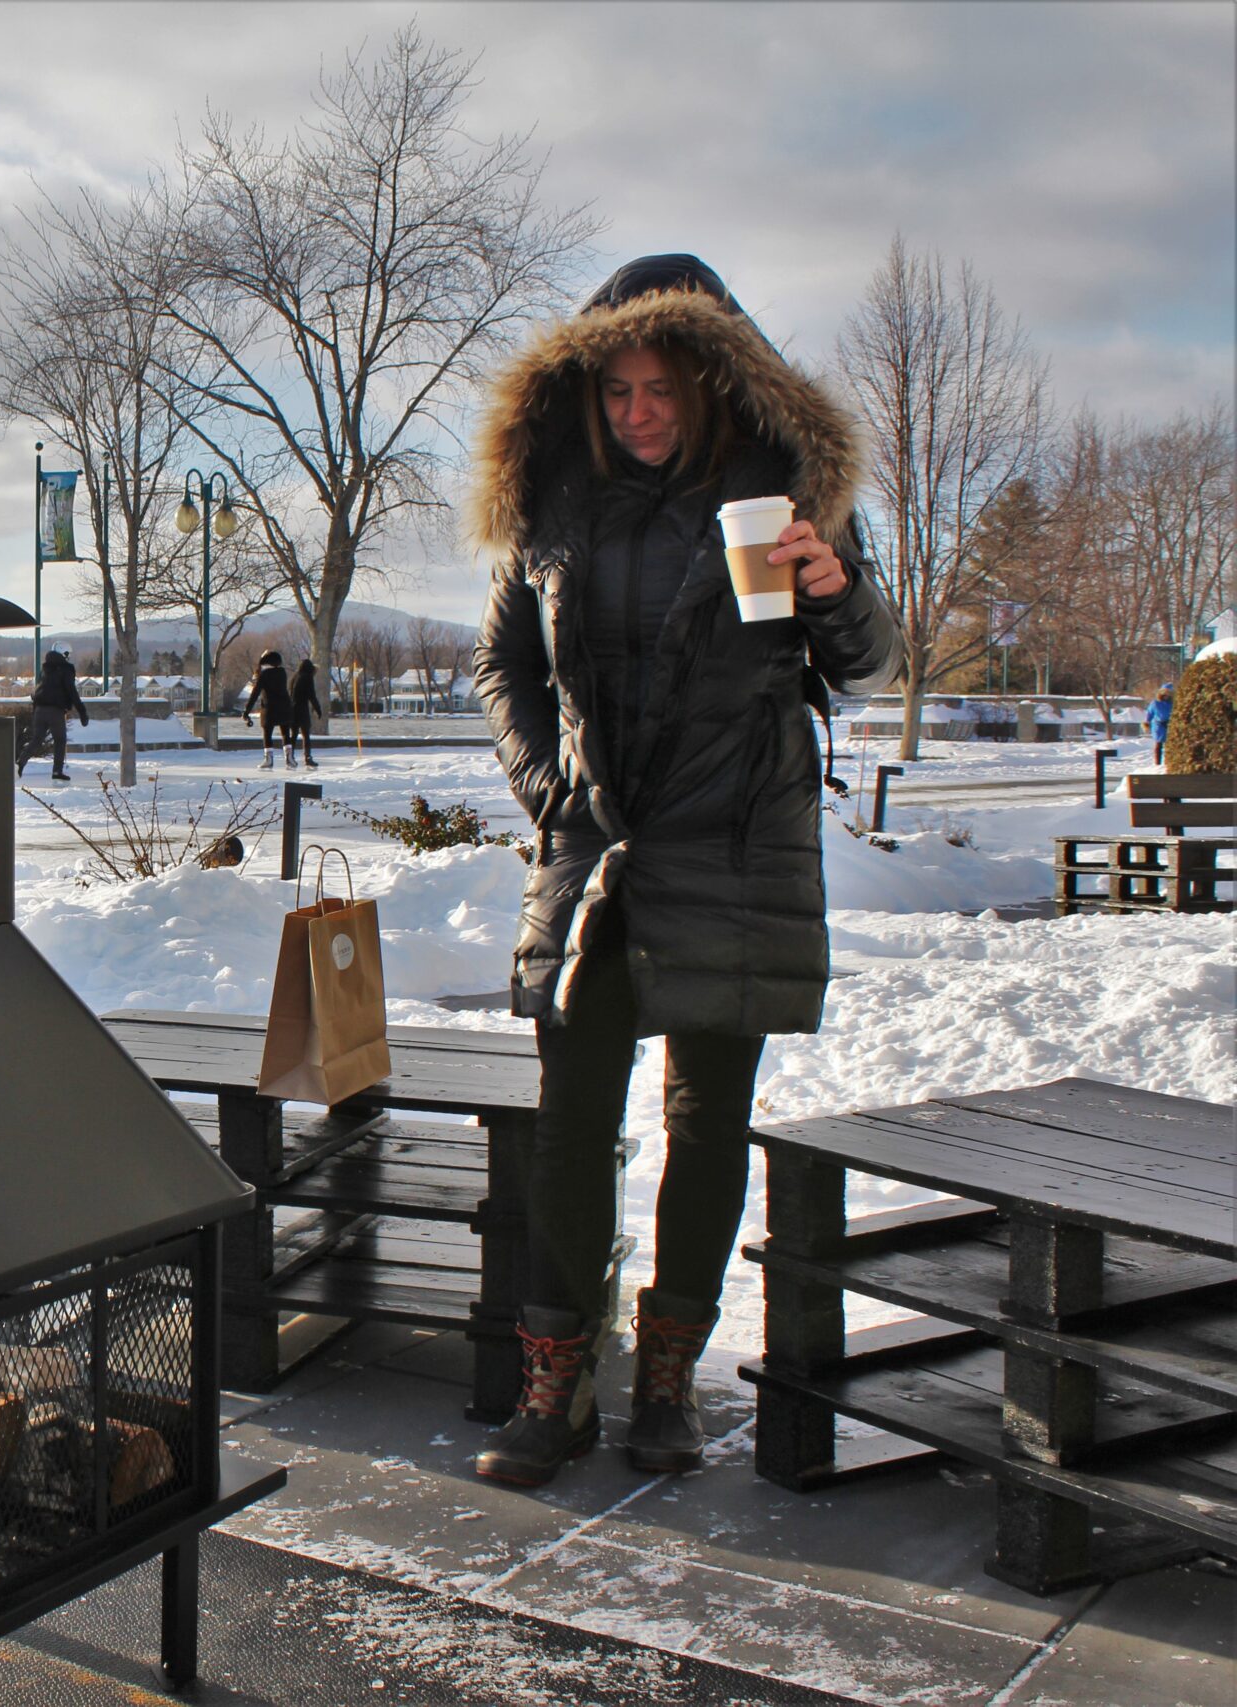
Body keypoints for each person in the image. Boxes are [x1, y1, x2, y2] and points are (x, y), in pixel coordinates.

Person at [468, 254, 905, 1487]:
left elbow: (862, 663)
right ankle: (555, 1377)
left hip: (731, 842)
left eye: (660, 387)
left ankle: (668, 1376)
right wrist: (544, 782)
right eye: (614, 390)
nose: (637, 412)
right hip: (597, 845)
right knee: (570, 1118)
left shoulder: (779, 495)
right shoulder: (557, 504)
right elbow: (506, 665)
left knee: (706, 1124)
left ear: (712, 383)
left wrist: (835, 592)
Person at [20, 649, 89, 781]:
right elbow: (71, 691)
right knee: (60, 741)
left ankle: (20, 763)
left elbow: (37, 693)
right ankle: (57, 771)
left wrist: (35, 713)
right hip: (55, 711)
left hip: (39, 709)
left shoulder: (45, 672)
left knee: (36, 740)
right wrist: (82, 712)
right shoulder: (65, 669)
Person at [242, 649, 293, 768]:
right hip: (285, 707)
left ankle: (268, 759)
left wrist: (247, 710)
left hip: (269, 708)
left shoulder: (264, 675)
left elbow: (255, 693)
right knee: (285, 733)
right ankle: (289, 758)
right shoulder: (282, 673)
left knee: (267, 733)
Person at [288, 657, 325, 768]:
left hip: (292, 709)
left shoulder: (294, 676)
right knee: (306, 735)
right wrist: (318, 709)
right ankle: (308, 758)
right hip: (302, 709)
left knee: (293, 735)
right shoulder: (308, 677)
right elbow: (311, 695)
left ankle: (290, 757)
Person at [1147, 680, 1175, 765]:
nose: (1166, 696)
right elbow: (1150, 713)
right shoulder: (1155, 703)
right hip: (1158, 725)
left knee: (1169, 745)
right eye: (1164, 694)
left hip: (1170, 724)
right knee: (1158, 744)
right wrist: (1147, 722)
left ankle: (1168, 763)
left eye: (1168, 694)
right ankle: (1157, 763)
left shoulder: (1172, 704)